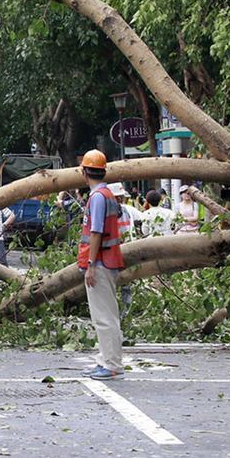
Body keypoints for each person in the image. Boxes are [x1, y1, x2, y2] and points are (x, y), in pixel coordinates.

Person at [77, 151, 125, 380]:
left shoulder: (97, 198)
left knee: (104, 318)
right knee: (108, 315)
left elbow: (95, 232)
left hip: (101, 263)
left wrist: (91, 264)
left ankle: (111, 364)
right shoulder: (107, 195)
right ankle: (107, 360)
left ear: (84, 172)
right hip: (109, 260)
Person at [108, 183, 140, 318]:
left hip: (126, 251)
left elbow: (140, 219)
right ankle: (115, 312)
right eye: (117, 198)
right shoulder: (105, 214)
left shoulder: (127, 211)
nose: (120, 201)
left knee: (126, 284)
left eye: (120, 198)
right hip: (111, 253)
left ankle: (125, 313)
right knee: (112, 285)